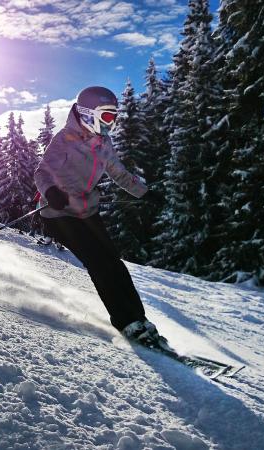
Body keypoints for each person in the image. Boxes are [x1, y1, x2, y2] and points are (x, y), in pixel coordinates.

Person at [33, 86, 160, 346]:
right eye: (107, 116)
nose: (111, 123)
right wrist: (52, 191)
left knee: (114, 261)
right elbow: (42, 173)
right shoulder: (64, 139)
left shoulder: (104, 144)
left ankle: (140, 320)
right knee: (99, 262)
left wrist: (145, 193)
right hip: (58, 213)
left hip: (85, 209)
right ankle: (126, 322)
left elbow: (120, 174)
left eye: (114, 117)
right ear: (89, 114)